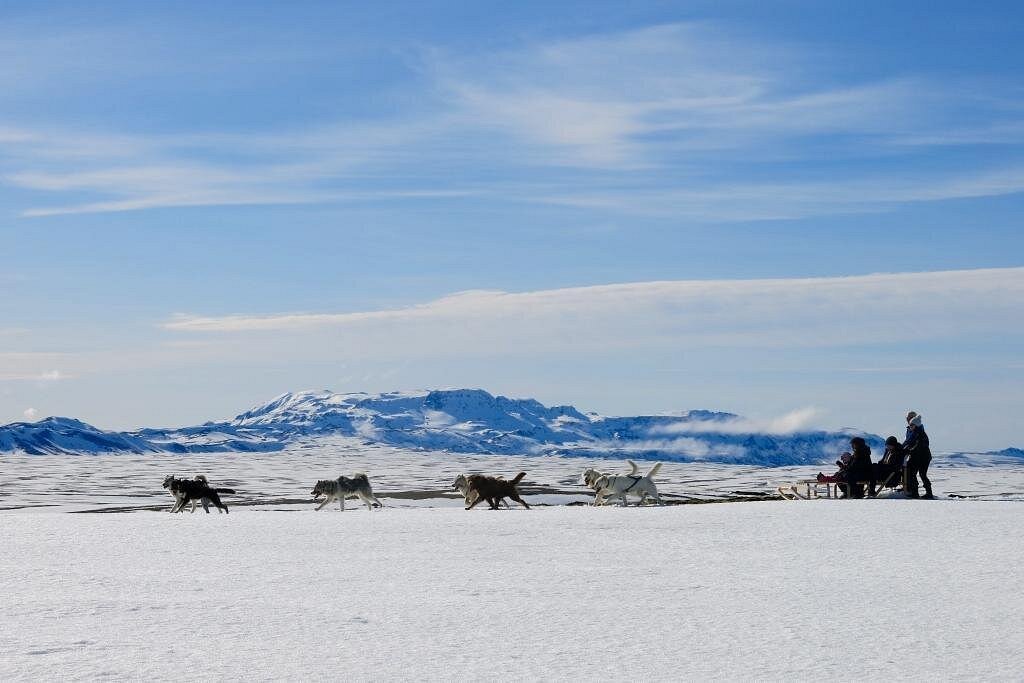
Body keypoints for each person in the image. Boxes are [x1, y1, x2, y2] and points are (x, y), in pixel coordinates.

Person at [903, 411, 933, 499]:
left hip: (923, 457)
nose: (910, 426)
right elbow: (908, 442)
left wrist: (909, 450)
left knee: (921, 474)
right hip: (917, 456)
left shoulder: (920, 434)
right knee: (913, 473)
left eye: (912, 425)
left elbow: (917, 446)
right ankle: (914, 491)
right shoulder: (914, 432)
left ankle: (926, 493)